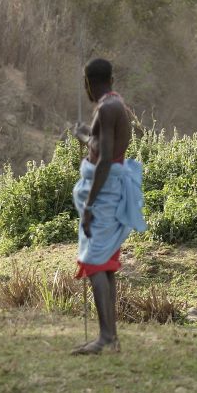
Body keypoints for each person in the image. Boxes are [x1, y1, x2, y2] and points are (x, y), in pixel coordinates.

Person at [70, 58, 147, 355]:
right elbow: (101, 145)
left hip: (103, 194)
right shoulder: (116, 105)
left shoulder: (106, 108)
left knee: (93, 263)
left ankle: (105, 337)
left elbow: (103, 161)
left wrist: (88, 207)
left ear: (88, 82)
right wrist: (84, 135)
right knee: (104, 264)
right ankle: (110, 337)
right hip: (107, 190)